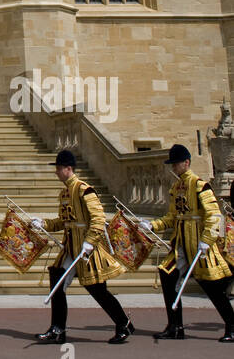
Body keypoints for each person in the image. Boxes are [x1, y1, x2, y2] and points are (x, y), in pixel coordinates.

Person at [32, 150, 133, 344]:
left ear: (68, 169)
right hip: (71, 247)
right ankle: (58, 328)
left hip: (87, 250)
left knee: (98, 290)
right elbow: (64, 221)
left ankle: (123, 323)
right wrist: (44, 224)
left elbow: (98, 218)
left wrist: (90, 241)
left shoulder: (84, 189)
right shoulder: (65, 193)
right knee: (57, 282)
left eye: (59, 169)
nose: (57, 173)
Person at [138, 143, 234, 342]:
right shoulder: (176, 188)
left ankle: (232, 326)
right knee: (167, 276)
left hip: (199, 244)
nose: (173, 168)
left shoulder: (200, 186)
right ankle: (175, 326)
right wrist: (153, 226)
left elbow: (214, 215)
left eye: (176, 164)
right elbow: (172, 217)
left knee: (213, 288)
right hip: (181, 244)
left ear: (186, 163)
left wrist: (207, 240)